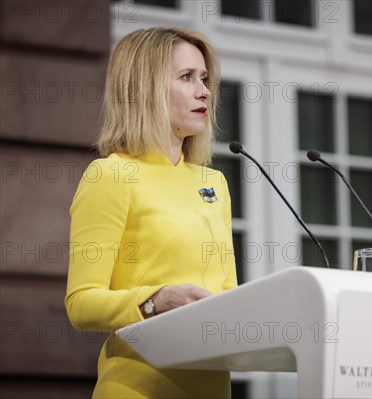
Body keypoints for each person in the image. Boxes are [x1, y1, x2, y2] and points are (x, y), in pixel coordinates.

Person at [65, 27, 238, 398]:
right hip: (137, 388)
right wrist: (156, 301)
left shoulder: (215, 184)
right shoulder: (111, 175)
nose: (204, 91)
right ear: (146, 88)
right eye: (187, 77)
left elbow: (228, 297)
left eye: (205, 78)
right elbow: (80, 304)